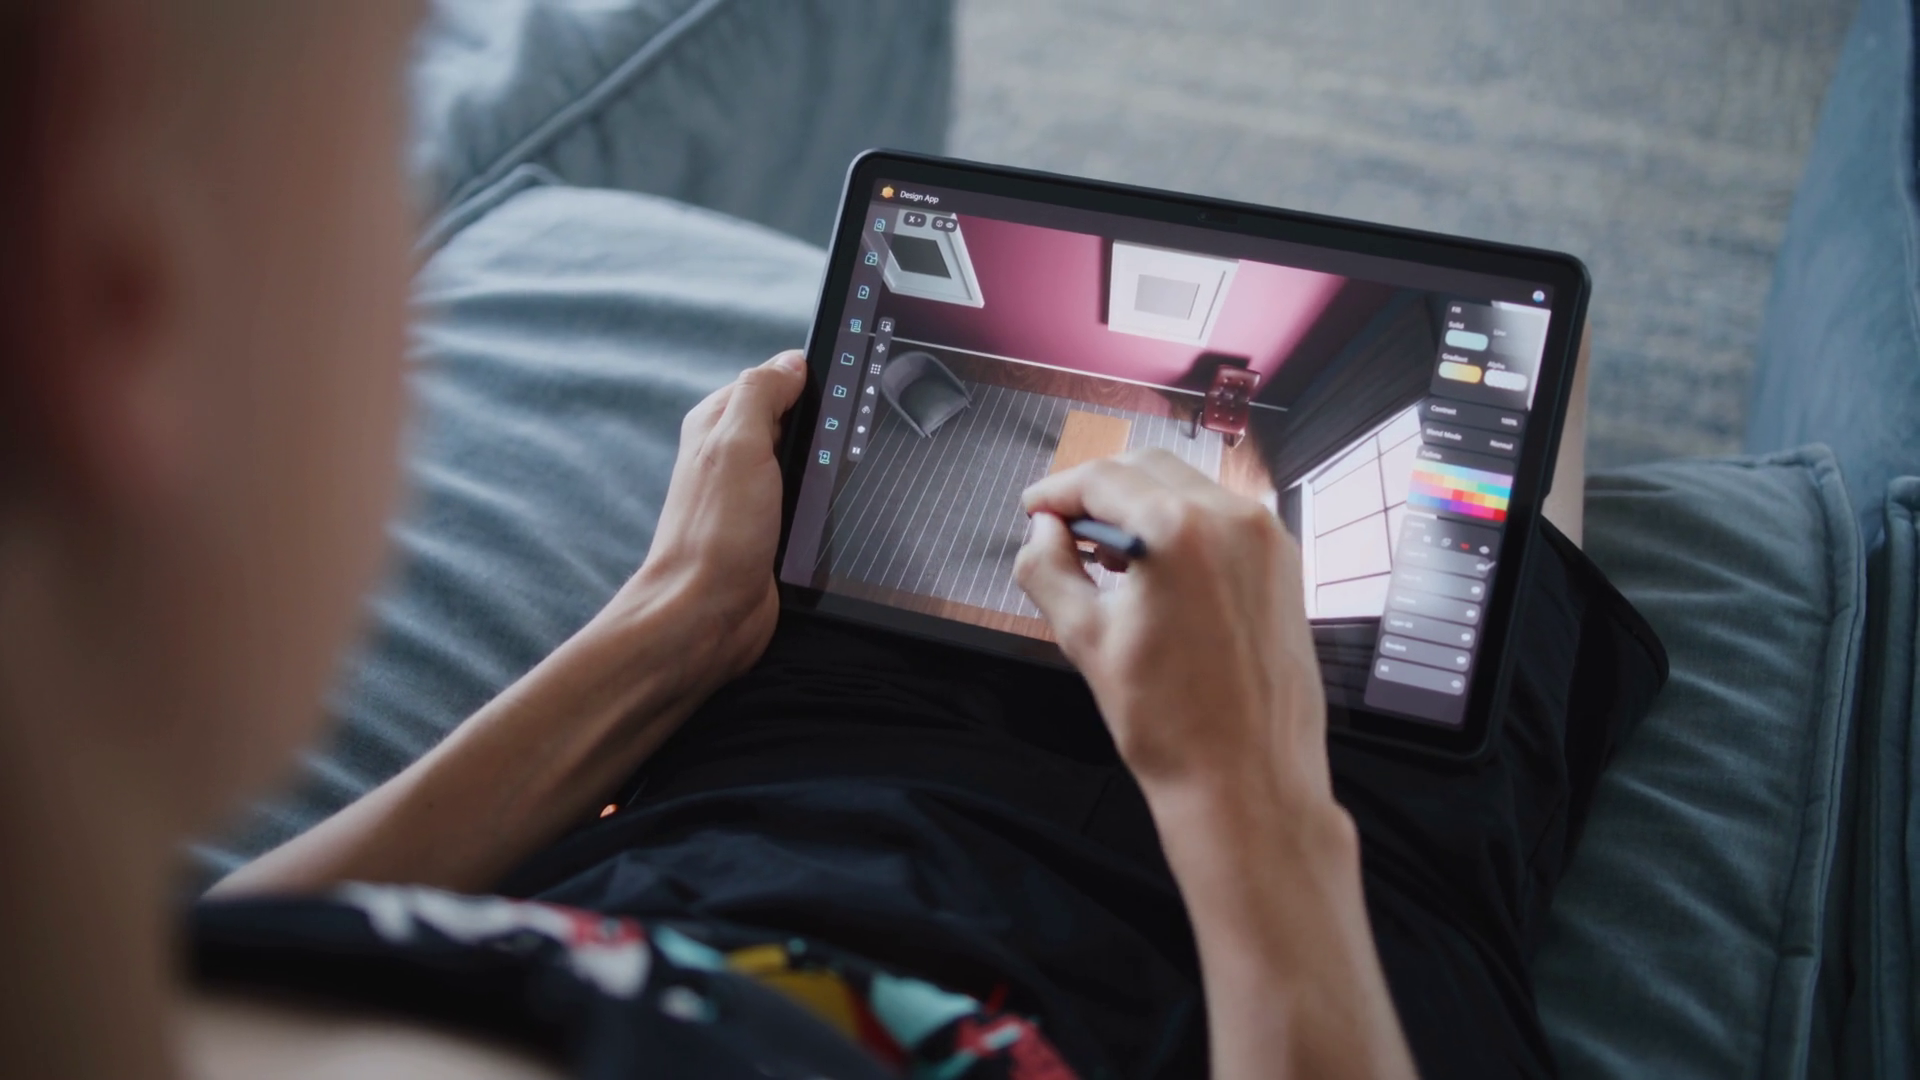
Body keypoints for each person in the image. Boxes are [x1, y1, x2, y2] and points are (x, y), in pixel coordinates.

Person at [0, 2, 1662, 1078]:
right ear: (114, 294)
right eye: (383, 113)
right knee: (1525, 372)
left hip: (756, 763)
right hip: (1267, 935)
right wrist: (1257, 800)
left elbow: (223, 955)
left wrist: (667, 633)